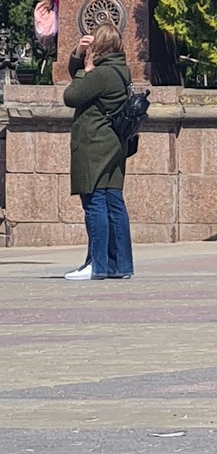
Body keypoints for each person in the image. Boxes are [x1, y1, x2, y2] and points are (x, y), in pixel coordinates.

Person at [63, 21, 135, 281]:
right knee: (113, 202)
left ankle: (98, 264)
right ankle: (120, 265)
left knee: (94, 203)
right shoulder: (120, 70)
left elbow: (72, 95)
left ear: (100, 46)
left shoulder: (101, 75)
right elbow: (80, 78)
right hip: (113, 145)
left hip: (94, 145)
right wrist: (77, 55)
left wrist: (87, 69)